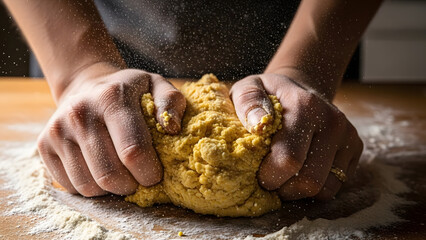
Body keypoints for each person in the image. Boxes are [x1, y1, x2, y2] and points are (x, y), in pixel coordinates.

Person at [3, 0, 382, 201]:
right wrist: (83, 72)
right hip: (79, 32)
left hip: (309, 31)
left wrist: (307, 68)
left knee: (301, 146)